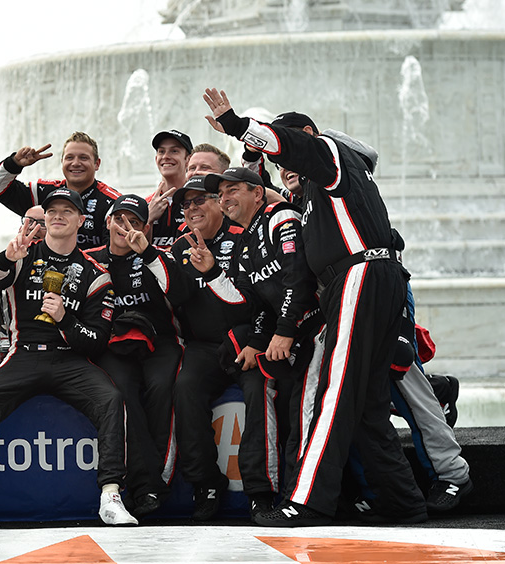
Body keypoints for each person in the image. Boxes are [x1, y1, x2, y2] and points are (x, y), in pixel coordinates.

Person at [204, 88, 427, 526]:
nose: (283, 162)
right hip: (370, 278)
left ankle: (306, 502)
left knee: (335, 391)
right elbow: (262, 188)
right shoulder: (316, 193)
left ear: (308, 134)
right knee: (367, 405)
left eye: (290, 143)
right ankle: (404, 501)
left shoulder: (328, 154)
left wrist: (234, 124)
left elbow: (292, 147)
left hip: (359, 275)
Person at [0, 188, 137, 529]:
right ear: (44, 218)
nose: (58, 215)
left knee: (111, 399)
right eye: (52, 210)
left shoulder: (95, 273)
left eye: (66, 210)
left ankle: (111, 496)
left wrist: (65, 320)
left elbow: (96, 341)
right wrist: (5, 259)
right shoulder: (22, 255)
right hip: (24, 354)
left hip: (71, 360)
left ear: (81, 220)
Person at [201, 167, 323, 521]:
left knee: (306, 409)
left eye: (233, 189)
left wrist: (282, 331)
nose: (225, 198)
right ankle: (264, 496)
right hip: (288, 337)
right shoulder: (244, 241)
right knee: (261, 385)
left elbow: (298, 277)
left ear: (257, 193)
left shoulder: (280, 217)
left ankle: (300, 497)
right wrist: (211, 273)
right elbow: (250, 304)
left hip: (318, 329)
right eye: (221, 193)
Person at [87, 194, 189, 518]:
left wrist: (146, 252)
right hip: (113, 345)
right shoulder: (90, 259)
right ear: (107, 221)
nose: (125, 226)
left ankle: (158, 480)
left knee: (161, 389)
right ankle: (145, 487)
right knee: (122, 395)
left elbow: (180, 292)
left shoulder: (155, 256)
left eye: (134, 221)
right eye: (119, 219)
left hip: (161, 341)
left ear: (146, 227)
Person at [169, 176, 251, 521]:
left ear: (219, 202)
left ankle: (263, 486)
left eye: (199, 200)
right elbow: (174, 299)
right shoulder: (179, 247)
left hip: (246, 340)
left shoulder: (244, 237)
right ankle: (205, 484)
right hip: (203, 346)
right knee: (185, 389)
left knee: (264, 392)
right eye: (186, 205)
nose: (192, 209)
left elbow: (251, 300)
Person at [0, 132, 121, 249]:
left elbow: (114, 250)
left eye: (83, 158)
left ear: (97, 164)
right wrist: (14, 164)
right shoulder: (44, 191)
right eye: (69, 158)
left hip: (92, 273)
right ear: (62, 162)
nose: (75, 163)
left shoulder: (113, 202)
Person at [146, 130, 193, 248]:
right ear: (156, 158)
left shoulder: (200, 201)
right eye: (161, 151)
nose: (166, 157)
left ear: (188, 159)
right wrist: (148, 220)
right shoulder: (145, 204)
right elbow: (137, 254)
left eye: (174, 151)